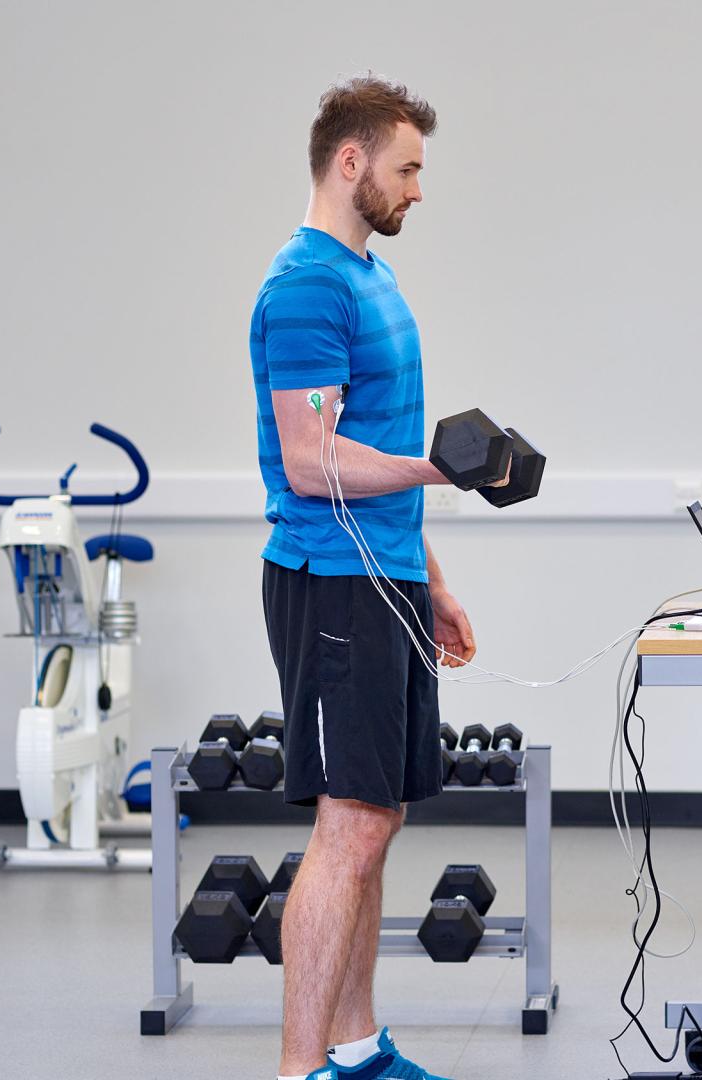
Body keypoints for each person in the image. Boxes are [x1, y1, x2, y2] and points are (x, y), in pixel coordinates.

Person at [249, 73, 479, 1080]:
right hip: (332, 583)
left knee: (374, 817)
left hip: (380, 573)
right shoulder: (306, 286)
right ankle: (302, 1072)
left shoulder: (370, 277)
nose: (418, 189)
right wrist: (446, 466)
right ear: (352, 163)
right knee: (348, 827)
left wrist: (427, 577)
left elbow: (373, 451)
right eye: (408, 168)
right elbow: (310, 464)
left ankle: (357, 1049)